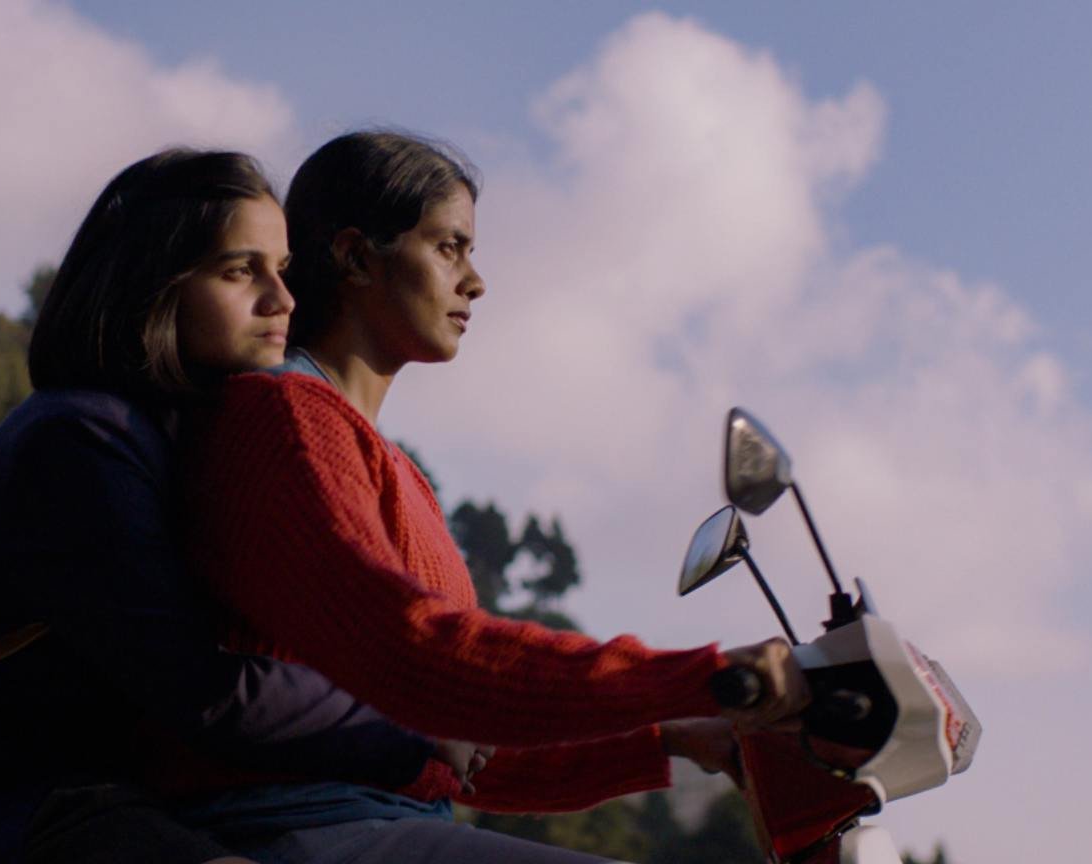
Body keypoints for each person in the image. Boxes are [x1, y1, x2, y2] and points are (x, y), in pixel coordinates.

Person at [0, 149, 472, 863]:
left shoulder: (169, 436)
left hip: (73, 802)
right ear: (154, 286)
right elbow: (197, 688)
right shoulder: (78, 441)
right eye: (239, 271)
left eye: (281, 271)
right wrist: (406, 723)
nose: (282, 299)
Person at [173, 131, 810, 862]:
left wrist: (678, 735)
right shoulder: (282, 416)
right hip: (288, 827)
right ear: (355, 256)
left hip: (384, 823)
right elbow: (412, 654)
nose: (475, 281)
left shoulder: (394, 469)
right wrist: (701, 675)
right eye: (449, 248)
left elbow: (465, 748)